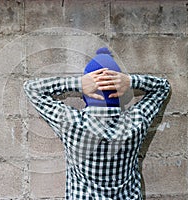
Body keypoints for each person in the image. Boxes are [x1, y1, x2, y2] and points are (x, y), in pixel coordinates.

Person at [23, 47, 171, 200]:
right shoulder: (135, 122)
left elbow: (32, 88)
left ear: (87, 92)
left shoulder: (72, 124)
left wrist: (77, 83)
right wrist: (131, 81)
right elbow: (163, 87)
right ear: (119, 92)